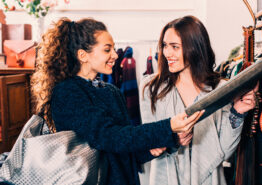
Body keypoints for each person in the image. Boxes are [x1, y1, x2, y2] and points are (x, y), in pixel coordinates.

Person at [30, 17, 204, 185]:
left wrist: (149, 150)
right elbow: (108, 136)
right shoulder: (67, 92)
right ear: (83, 55)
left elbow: (122, 145)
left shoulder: (111, 91)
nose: (114, 55)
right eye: (107, 50)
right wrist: (169, 127)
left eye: (113, 48)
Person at [140, 15, 258, 185]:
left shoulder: (219, 89)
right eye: (165, 45)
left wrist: (237, 113)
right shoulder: (151, 89)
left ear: (194, 47)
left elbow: (224, 151)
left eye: (175, 46)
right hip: (165, 178)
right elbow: (148, 143)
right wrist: (171, 140)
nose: (166, 53)